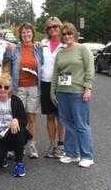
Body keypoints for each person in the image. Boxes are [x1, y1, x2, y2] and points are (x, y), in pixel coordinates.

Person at [51, 22, 95, 168]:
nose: (67, 36)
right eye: (64, 34)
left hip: (78, 92)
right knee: (68, 125)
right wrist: (53, 91)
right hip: (63, 93)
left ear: (74, 34)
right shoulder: (61, 52)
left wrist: (88, 88)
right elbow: (55, 74)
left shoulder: (83, 49)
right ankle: (72, 154)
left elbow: (90, 69)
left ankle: (87, 156)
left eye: (69, 33)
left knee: (81, 125)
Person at [0, 74, 31, 177]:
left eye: (6, 87)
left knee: (19, 129)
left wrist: (17, 120)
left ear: (10, 89)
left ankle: (19, 163)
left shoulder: (16, 101)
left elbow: (25, 120)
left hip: (11, 134)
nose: (2, 89)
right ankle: (3, 157)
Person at [10, 23, 43, 159]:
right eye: (23, 32)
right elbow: (7, 62)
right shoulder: (15, 49)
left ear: (32, 33)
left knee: (32, 117)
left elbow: (43, 64)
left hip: (34, 86)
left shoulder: (38, 48)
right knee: (18, 117)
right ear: (20, 35)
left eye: (28, 32)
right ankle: (18, 145)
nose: (26, 34)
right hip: (19, 87)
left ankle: (32, 145)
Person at [40, 17, 66, 158]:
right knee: (50, 116)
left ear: (60, 27)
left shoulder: (65, 43)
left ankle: (61, 145)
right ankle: (52, 145)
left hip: (61, 84)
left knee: (61, 116)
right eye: (50, 27)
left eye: (55, 26)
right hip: (45, 82)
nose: (53, 29)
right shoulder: (43, 43)